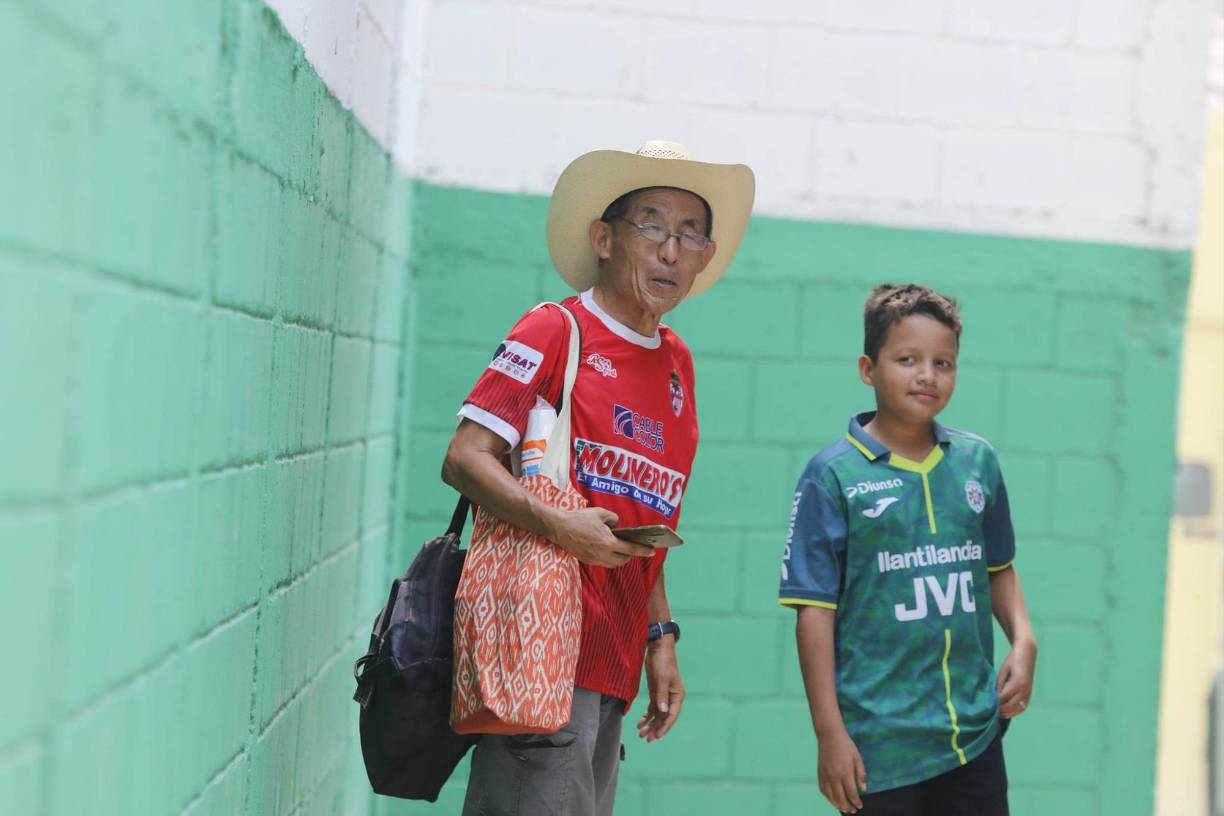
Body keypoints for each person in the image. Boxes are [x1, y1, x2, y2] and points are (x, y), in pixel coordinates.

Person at [442, 140, 754, 816]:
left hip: (614, 660)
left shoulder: (678, 364)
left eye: (690, 233)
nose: (672, 250)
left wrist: (659, 637)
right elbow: (463, 457)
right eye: (653, 227)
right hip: (540, 652)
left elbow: (643, 515)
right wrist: (560, 525)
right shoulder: (555, 330)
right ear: (604, 238)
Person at [779, 283, 1038, 815]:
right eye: (907, 359)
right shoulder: (832, 476)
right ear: (867, 369)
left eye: (943, 362)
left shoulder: (977, 463)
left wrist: (1024, 640)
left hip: (974, 736)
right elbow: (813, 613)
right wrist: (829, 734)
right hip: (877, 746)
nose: (927, 375)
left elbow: (999, 568)